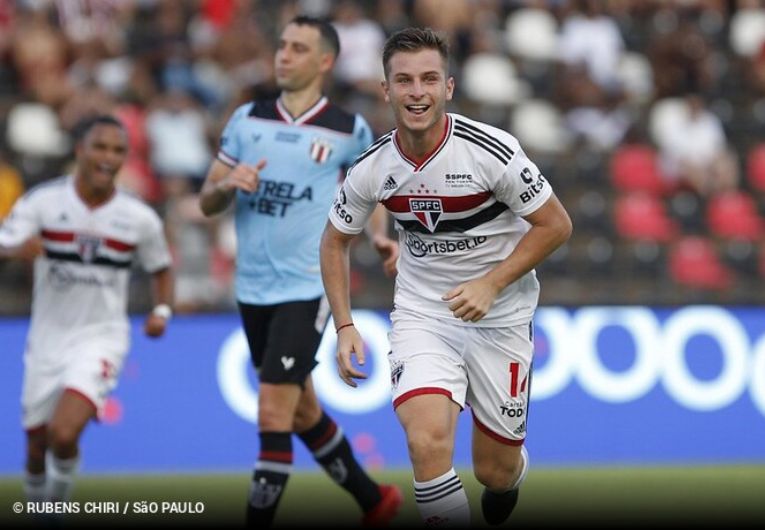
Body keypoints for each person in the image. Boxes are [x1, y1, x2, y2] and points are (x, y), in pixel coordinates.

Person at [320, 28, 572, 527]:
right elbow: (334, 241)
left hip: (501, 316)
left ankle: (509, 479)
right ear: (386, 90)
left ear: (448, 87)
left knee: (494, 473)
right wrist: (344, 325)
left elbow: (556, 225)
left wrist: (491, 283)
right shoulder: (372, 168)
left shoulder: (490, 151)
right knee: (426, 440)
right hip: (424, 312)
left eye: (429, 79)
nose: (418, 92)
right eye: (405, 81)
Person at [198, 16, 401, 528]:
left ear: (324, 61)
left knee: (271, 415)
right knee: (302, 411)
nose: (283, 55)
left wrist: (379, 234)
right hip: (253, 288)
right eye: (282, 45)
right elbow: (206, 199)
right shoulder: (247, 118)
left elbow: (370, 189)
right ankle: (375, 500)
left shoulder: (346, 128)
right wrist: (227, 186)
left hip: (308, 287)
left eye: (297, 48)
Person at [0, 115, 174, 506]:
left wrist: (162, 309)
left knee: (64, 434)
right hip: (46, 338)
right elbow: (4, 242)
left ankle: (56, 508)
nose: (108, 157)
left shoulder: (138, 218)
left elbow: (161, 266)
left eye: (118, 150)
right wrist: (16, 250)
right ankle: (37, 505)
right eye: (100, 147)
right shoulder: (43, 202)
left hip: (102, 336)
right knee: (35, 448)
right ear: (80, 150)